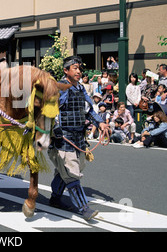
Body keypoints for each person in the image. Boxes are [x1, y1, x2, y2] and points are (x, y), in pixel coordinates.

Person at [48, 56, 109, 221]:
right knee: (71, 173)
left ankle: (55, 198)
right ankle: (84, 208)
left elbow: (89, 109)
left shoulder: (81, 88)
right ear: (66, 70)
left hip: (79, 136)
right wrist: (55, 128)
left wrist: (101, 123)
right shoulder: (59, 88)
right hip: (63, 137)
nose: (79, 71)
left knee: (74, 168)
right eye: (74, 68)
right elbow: (51, 110)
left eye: (79, 68)